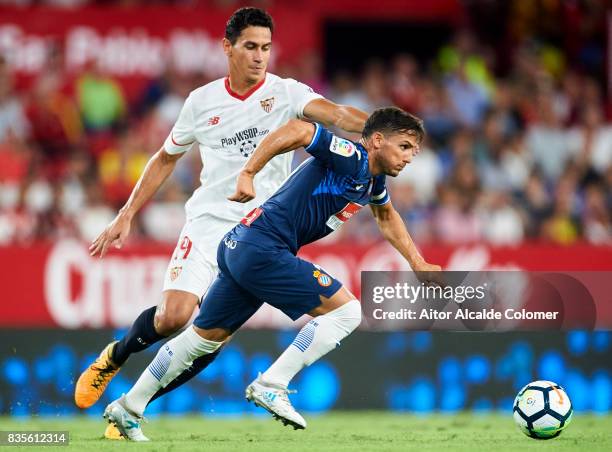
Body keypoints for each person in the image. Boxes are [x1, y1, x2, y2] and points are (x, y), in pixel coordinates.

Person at [74, 6, 368, 439]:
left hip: (259, 230)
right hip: (210, 220)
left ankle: (134, 406)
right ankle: (114, 357)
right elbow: (165, 158)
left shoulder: (286, 92)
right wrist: (127, 213)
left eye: (266, 48)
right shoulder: (201, 101)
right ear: (227, 47)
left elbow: (338, 115)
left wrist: (380, 129)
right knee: (175, 317)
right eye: (250, 46)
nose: (259, 56)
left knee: (211, 337)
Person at [104, 107, 442, 441]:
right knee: (348, 312)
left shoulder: (373, 178)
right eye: (405, 146)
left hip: (244, 245)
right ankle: (272, 383)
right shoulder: (351, 155)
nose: (410, 157)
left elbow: (386, 216)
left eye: (413, 150)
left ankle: (129, 406)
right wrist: (248, 172)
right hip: (262, 248)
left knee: (201, 340)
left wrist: (417, 262)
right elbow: (299, 129)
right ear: (378, 140)